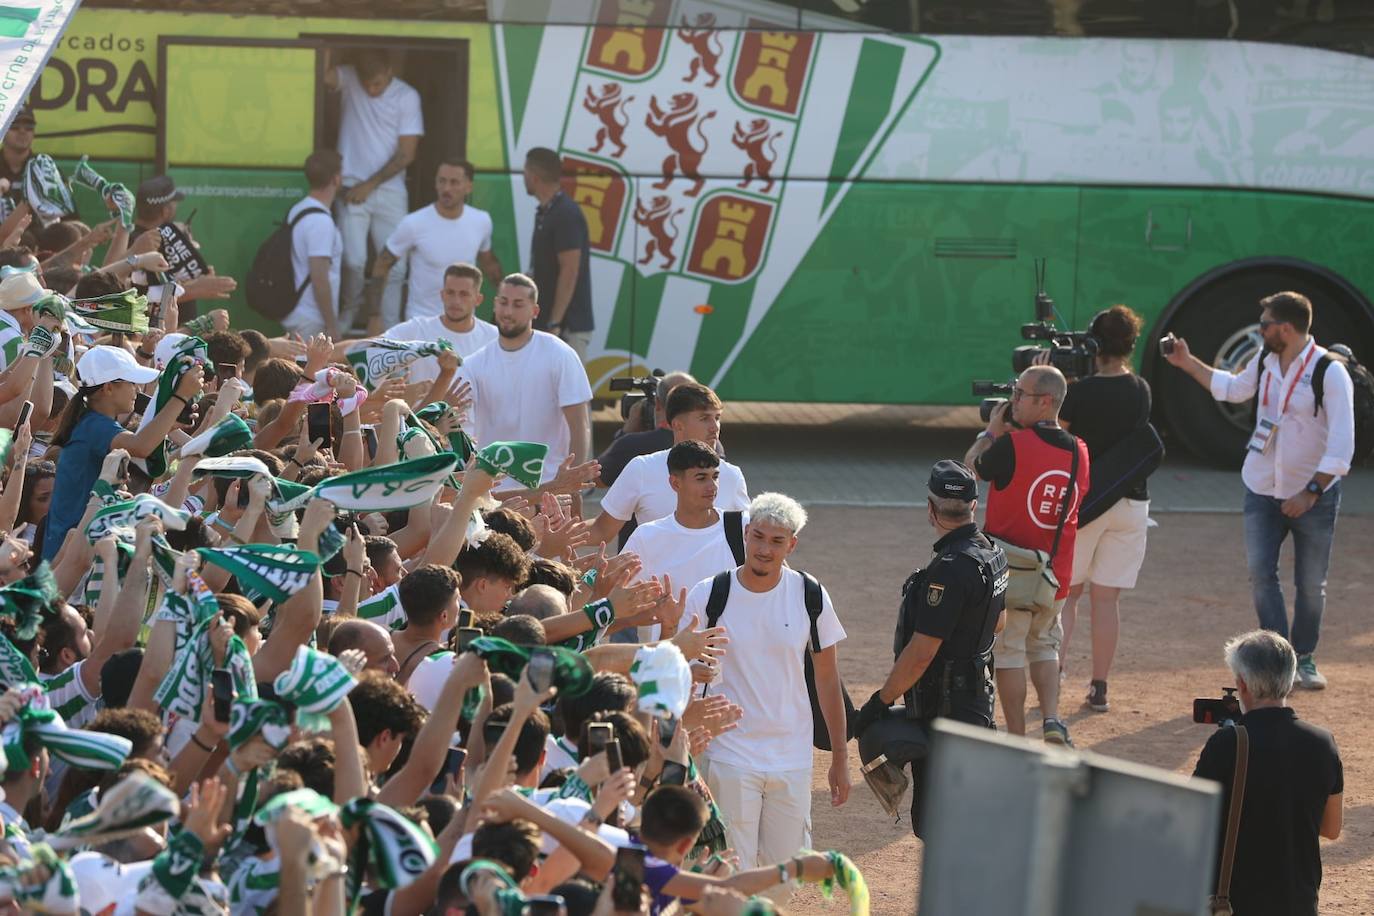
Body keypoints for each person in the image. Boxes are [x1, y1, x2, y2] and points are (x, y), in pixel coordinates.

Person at [1163, 291, 1355, 689]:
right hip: (1261, 486)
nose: (1260, 330)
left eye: (1265, 324)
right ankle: (1277, 661)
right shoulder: (1266, 359)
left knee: (1310, 582)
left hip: (1313, 496)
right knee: (1261, 575)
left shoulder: (1330, 372)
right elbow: (1232, 389)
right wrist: (1186, 363)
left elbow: (1342, 446)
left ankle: (1304, 658)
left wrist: (1311, 493)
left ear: (1285, 328)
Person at [678, 492, 850, 872]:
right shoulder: (709, 595)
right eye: (758, 536)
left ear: (792, 544)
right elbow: (679, 667)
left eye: (776, 541)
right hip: (728, 753)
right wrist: (692, 671)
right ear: (745, 534)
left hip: (792, 756)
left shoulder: (810, 595)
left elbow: (827, 679)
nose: (765, 549)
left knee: (785, 870)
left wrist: (839, 756)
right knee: (730, 868)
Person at [852, 460, 1007, 836]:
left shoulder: (949, 568)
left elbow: (922, 651)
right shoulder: (993, 553)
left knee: (940, 823)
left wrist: (881, 702)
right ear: (974, 505)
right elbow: (999, 623)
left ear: (930, 508)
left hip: (947, 709)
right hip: (976, 701)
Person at [965, 364, 1089, 745]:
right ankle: (1052, 719)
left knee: (1009, 653)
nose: (1014, 401)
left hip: (1010, 572)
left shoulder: (1011, 446)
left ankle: (1018, 738)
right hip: (1054, 573)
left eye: (1021, 395)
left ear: (1045, 401)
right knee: (1046, 644)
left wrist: (990, 432)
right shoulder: (1079, 451)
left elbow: (967, 473)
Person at [1192, 630, 1342, 916]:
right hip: (1298, 903)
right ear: (1289, 681)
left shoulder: (1227, 743)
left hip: (1236, 903)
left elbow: (1193, 820)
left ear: (1243, 685)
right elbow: (1331, 829)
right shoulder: (1323, 743)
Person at [1057, 305, 1155, 713]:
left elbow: (1060, 434)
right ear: (1131, 344)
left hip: (1087, 501)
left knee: (1069, 595)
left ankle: (1054, 672)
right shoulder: (1141, 389)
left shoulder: (1079, 391)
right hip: (1131, 500)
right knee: (1107, 599)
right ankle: (1099, 687)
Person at [43, 346, 203, 560]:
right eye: (131, 383)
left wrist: (168, 425)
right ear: (108, 388)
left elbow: (143, 455)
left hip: (79, 546)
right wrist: (180, 397)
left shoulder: (92, 422)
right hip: (71, 552)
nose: (137, 390)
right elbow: (141, 446)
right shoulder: (95, 425)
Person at [325, 48, 424, 333]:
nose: (371, 88)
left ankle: (390, 327)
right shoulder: (349, 78)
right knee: (353, 262)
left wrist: (368, 185)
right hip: (351, 189)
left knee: (396, 266)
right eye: (367, 82)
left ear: (390, 72)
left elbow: (407, 154)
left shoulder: (407, 96)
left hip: (389, 191)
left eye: (378, 83)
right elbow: (318, 71)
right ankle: (349, 314)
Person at [462, 273, 592, 489]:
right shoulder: (473, 364)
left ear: (535, 310)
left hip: (548, 487)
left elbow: (579, 424)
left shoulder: (559, 354)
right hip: (492, 492)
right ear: (495, 305)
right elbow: (463, 428)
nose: (508, 312)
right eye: (503, 302)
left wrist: (573, 483)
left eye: (518, 304)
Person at [588, 382, 748, 548]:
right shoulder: (641, 469)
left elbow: (751, 536)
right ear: (678, 425)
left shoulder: (732, 476)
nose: (715, 427)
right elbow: (601, 530)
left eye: (717, 417)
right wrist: (561, 535)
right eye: (704, 418)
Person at [620, 440, 742, 641]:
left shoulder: (744, 528)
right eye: (701, 478)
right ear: (675, 483)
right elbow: (614, 600)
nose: (712, 486)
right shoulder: (647, 537)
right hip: (675, 667)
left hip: (734, 666)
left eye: (715, 477)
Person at [372, 159, 501, 327]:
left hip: (463, 325)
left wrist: (504, 306)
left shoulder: (481, 221)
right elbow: (382, 265)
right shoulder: (414, 223)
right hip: (420, 324)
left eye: (454, 182)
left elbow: (489, 265)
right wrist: (374, 317)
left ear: (469, 186)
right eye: (442, 181)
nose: (446, 189)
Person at [523, 148, 594, 360]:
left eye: (525, 172)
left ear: (534, 177)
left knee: (569, 392)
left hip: (567, 327)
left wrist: (554, 324)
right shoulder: (547, 212)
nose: (523, 177)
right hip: (553, 325)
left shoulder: (565, 214)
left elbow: (569, 271)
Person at [384, 262, 497, 387]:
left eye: (464, 294)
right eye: (450, 292)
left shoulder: (494, 337)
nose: (456, 301)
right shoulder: (418, 328)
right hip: (423, 407)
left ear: (478, 299)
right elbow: (373, 346)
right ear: (442, 295)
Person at [281, 150, 345, 341]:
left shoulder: (298, 209)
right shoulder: (321, 222)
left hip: (298, 313)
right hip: (311, 319)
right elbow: (319, 278)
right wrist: (332, 325)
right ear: (336, 179)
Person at [595, 370, 697, 487]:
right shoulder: (711, 443)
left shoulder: (631, 445)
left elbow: (595, 479)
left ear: (657, 404)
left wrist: (625, 432)